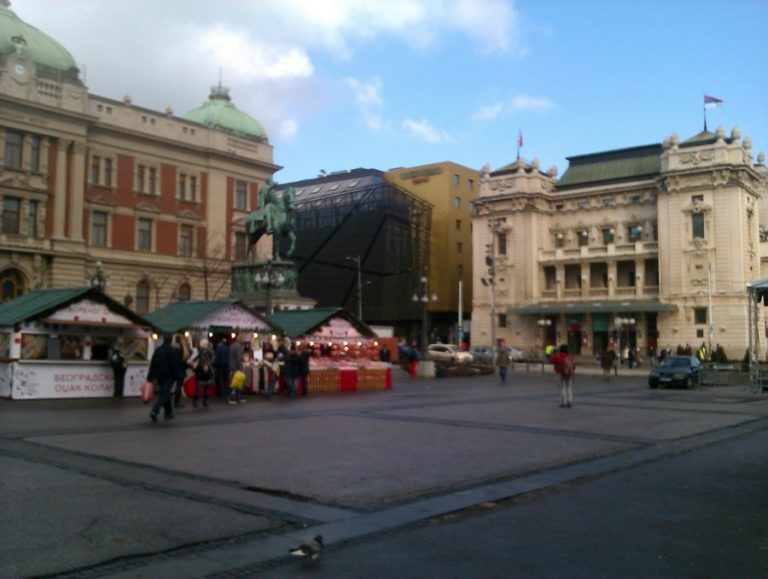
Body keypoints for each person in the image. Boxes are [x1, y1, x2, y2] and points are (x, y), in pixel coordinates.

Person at [147, 334, 177, 422]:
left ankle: (168, 412)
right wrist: (176, 376)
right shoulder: (172, 350)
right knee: (164, 394)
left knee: (165, 392)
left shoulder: (158, 350)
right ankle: (155, 410)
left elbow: (153, 363)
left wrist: (150, 376)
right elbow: (174, 365)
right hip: (169, 375)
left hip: (159, 375)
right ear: (171, 340)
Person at [550, 344, 575, 408]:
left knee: (562, 388)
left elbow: (551, 360)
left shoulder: (558, 355)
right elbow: (573, 364)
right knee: (569, 387)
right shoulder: (570, 355)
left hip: (560, 373)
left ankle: (564, 402)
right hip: (569, 373)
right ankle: (570, 401)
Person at [193, 338, 214, 408]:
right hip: (207, 370)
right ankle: (205, 401)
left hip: (199, 369)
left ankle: (195, 401)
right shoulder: (209, 351)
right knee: (206, 386)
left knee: (198, 386)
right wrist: (208, 365)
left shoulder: (198, 351)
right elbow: (213, 358)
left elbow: (194, 359)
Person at [228, 336, 246, 404]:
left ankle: (236, 397)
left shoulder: (232, 345)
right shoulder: (239, 346)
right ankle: (232, 398)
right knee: (236, 382)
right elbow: (239, 358)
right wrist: (241, 368)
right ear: (240, 339)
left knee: (234, 382)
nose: (244, 340)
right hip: (236, 367)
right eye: (243, 339)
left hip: (232, 366)